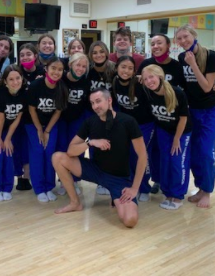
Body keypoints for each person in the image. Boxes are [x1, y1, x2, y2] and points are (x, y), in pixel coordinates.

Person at [52, 88, 147, 229]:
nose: (95, 106)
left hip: (118, 179)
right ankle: (75, 203)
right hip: (95, 171)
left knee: (130, 221)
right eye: (92, 103)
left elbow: (143, 156)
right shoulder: (90, 122)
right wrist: (90, 142)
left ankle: (115, 198)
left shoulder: (128, 121)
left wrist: (134, 188)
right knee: (58, 157)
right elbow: (71, 151)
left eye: (98, 101)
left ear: (109, 101)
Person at [175, 24, 215, 209]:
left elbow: (207, 87)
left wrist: (193, 64)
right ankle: (200, 188)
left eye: (186, 36)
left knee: (206, 152)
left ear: (194, 35)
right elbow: (183, 86)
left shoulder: (211, 56)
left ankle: (207, 191)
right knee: (194, 152)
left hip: (209, 110)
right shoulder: (181, 57)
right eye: (179, 38)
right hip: (191, 110)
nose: (183, 41)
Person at [137, 34, 185, 195]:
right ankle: (156, 180)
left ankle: (168, 185)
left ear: (168, 45)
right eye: (153, 44)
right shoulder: (146, 64)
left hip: (171, 117)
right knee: (154, 152)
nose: (156, 46)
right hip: (152, 117)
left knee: (171, 155)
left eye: (159, 43)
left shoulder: (177, 66)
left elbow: (184, 91)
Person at [141, 64, 192, 210]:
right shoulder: (148, 92)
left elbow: (183, 118)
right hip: (163, 130)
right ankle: (167, 193)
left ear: (160, 76)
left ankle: (178, 195)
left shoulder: (176, 93)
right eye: (145, 79)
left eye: (151, 77)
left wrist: (177, 139)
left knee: (177, 161)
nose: (149, 81)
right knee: (165, 161)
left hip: (181, 132)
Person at [25, 56, 67, 203]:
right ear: (46, 69)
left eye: (60, 69)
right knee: (37, 151)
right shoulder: (36, 85)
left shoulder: (61, 88)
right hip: (33, 124)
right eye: (53, 68)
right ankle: (39, 188)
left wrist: (47, 131)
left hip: (50, 125)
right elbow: (31, 109)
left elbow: (57, 111)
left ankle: (49, 187)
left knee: (49, 153)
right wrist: (39, 130)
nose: (56, 72)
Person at [112, 56, 153, 201]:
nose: (126, 71)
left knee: (141, 156)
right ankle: (130, 184)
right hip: (126, 126)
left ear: (135, 71)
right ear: (117, 67)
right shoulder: (114, 82)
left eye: (130, 68)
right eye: (123, 67)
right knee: (127, 156)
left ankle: (144, 188)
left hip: (144, 125)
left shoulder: (140, 84)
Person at [0, 65, 25, 202]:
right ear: (5, 82)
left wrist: (8, 138)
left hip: (10, 129)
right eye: (11, 79)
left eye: (18, 78)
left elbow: (18, 118)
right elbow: (0, 118)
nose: (15, 82)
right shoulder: (0, 94)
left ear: (22, 78)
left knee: (9, 156)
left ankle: (7, 188)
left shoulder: (24, 94)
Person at [57, 52, 90, 195]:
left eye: (84, 66)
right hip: (61, 118)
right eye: (78, 65)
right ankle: (64, 181)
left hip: (78, 118)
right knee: (62, 148)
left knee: (76, 150)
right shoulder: (61, 79)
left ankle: (76, 180)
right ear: (70, 65)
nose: (80, 69)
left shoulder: (86, 81)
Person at [87, 40, 116, 195]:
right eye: (94, 52)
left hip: (112, 113)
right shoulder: (88, 71)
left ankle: (111, 179)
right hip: (94, 114)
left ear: (106, 52)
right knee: (96, 148)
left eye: (101, 51)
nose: (98, 55)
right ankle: (99, 180)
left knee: (112, 147)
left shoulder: (114, 70)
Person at [15, 43, 44, 191]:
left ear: (35, 56)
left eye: (28, 54)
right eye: (22, 55)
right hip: (17, 116)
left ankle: (28, 176)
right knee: (18, 147)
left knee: (32, 148)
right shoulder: (16, 72)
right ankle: (20, 178)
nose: (25, 57)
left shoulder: (43, 72)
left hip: (35, 118)